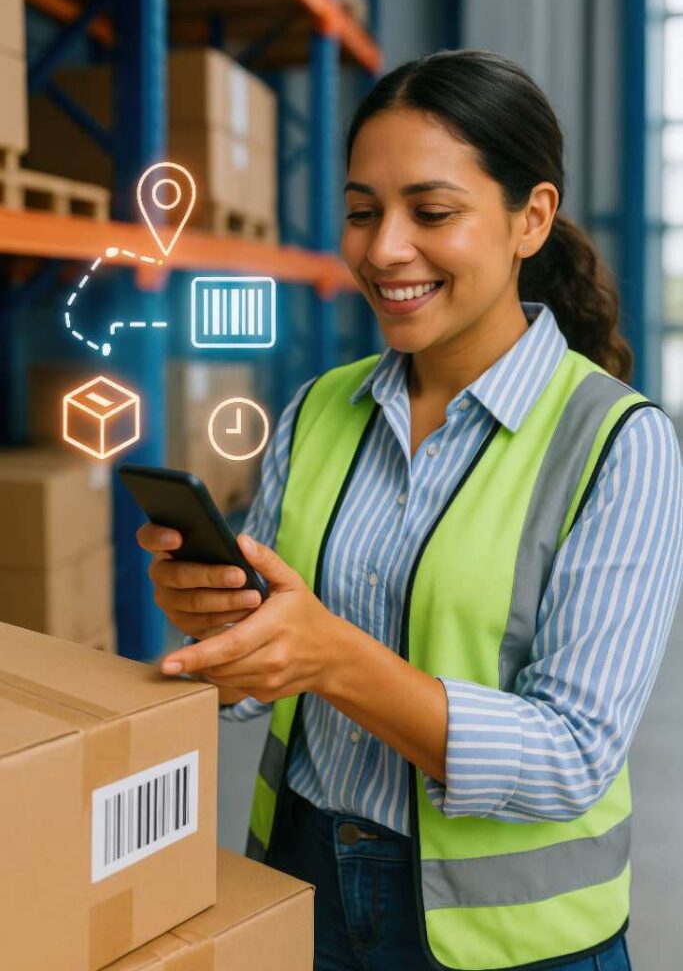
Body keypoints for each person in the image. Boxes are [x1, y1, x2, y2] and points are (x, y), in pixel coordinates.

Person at [137, 50, 683, 970]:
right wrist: (225, 641)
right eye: (361, 211)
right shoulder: (319, 407)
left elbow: (572, 756)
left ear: (530, 219)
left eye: (430, 213)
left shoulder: (617, 444)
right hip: (299, 881)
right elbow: (254, 686)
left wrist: (332, 656)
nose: (383, 248)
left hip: (511, 943)